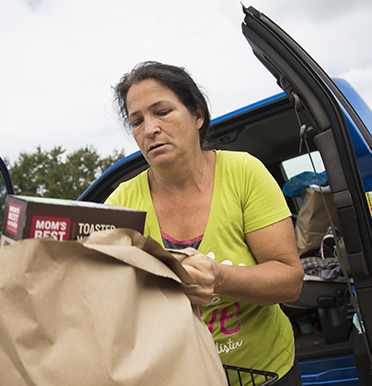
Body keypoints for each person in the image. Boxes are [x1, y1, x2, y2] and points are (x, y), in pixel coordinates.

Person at [105, 61, 304, 385]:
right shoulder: (121, 203)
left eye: (162, 111)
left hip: (267, 373)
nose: (150, 129)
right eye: (137, 121)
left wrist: (221, 277)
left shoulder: (244, 173)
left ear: (197, 114)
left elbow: (290, 280)